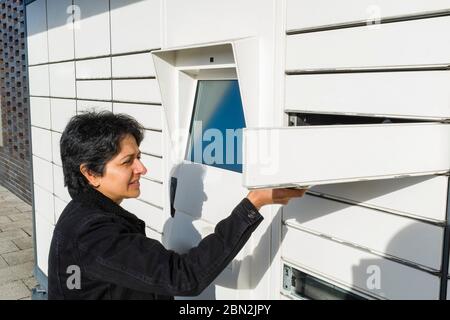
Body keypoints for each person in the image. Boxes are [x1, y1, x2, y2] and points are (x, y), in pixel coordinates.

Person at [47, 111, 306, 300]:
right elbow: (183, 277)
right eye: (128, 162)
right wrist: (254, 203)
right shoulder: (94, 233)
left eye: (139, 157)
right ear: (91, 173)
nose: (142, 168)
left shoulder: (84, 215)